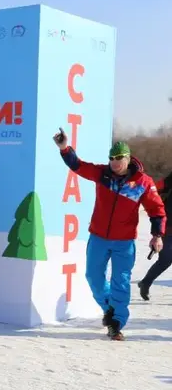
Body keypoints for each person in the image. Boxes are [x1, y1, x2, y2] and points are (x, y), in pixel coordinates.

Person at [54, 130, 165, 340]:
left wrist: (157, 234)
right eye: (111, 158)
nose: (114, 163)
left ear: (128, 158)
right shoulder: (102, 174)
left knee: (120, 282)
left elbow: (157, 210)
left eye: (119, 158)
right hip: (98, 237)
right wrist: (64, 148)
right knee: (93, 277)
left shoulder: (143, 182)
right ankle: (109, 308)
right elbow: (78, 165)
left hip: (124, 241)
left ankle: (116, 322)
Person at [138, 169, 172, 300]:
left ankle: (145, 283)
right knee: (165, 260)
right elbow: (155, 188)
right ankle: (145, 283)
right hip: (168, 226)